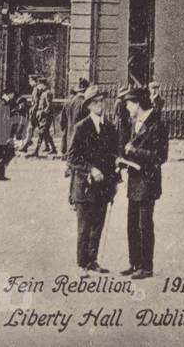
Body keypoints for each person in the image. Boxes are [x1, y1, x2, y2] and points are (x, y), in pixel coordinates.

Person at [118, 87, 169, 280]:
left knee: (144, 224)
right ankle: (135, 263)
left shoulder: (157, 124)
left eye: (129, 103)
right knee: (132, 223)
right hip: (134, 180)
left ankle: (147, 266)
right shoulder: (135, 122)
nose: (127, 107)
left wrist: (134, 151)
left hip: (148, 180)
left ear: (138, 104)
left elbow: (161, 157)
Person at [67, 85, 119, 272]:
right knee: (84, 227)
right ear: (88, 106)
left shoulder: (110, 128)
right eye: (95, 102)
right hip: (84, 186)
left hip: (103, 187)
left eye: (101, 101)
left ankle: (92, 260)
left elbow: (114, 156)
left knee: (98, 225)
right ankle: (82, 263)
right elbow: (72, 157)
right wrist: (90, 169)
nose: (99, 105)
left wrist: (115, 181)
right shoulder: (81, 128)